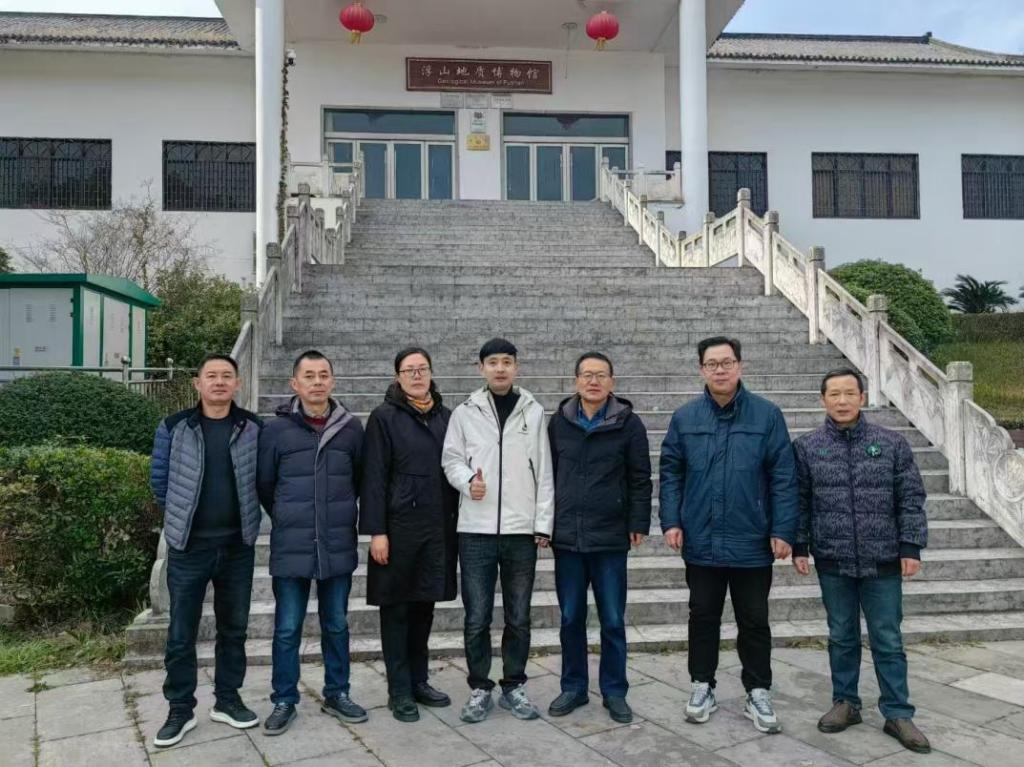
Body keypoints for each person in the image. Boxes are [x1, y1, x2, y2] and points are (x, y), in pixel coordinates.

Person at [659, 336, 798, 734]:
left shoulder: (767, 415)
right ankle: (702, 685)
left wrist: (782, 528)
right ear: (701, 369)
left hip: (751, 539)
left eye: (726, 362)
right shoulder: (685, 417)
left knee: (754, 619)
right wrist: (671, 520)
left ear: (740, 366)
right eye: (711, 364)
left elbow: (783, 476)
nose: (719, 370)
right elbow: (671, 473)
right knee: (702, 615)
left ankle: (758, 690)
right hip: (701, 539)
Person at [792, 367, 930, 754]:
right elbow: (799, 501)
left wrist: (911, 546)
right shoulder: (807, 447)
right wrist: (800, 545)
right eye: (834, 394)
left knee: (887, 637)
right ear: (823, 400)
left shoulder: (891, 444)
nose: (842, 401)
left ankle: (898, 712)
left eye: (849, 393)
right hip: (832, 558)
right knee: (841, 635)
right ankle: (846, 702)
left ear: (862, 397)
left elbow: (911, 497)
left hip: (882, 559)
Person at [150, 353, 262, 748]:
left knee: (234, 629)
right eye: (211, 376)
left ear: (237, 384)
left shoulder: (253, 427)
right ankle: (180, 708)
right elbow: (160, 481)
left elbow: (263, 478)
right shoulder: (174, 426)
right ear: (197, 383)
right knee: (181, 632)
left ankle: (228, 699)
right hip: (189, 547)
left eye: (226, 376)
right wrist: (181, 518)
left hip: (237, 546)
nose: (219, 382)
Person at [441, 337, 554, 724]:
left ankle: (513, 685)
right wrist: (466, 481)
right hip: (475, 530)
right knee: (477, 616)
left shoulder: (533, 412)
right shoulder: (464, 412)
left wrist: (543, 523)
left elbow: (545, 472)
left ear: (516, 367)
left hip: (521, 532)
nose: (500, 368)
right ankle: (479, 686)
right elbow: (451, 459)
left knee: (519, 615)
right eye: (493, 362)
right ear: (481, 368)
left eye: (507, 361)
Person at [257, 350, 367, 735]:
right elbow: (265, 484)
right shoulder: (276, 430)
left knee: (336, 624)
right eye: (309, 375)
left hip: (336, 542)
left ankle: (338, 692)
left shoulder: (351, 428)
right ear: (295, 383)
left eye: (323, 375)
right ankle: (284, 699)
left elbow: (358, 481)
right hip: (292, 543)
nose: (317, 382)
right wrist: (289, 517)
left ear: (332, 381)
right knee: (288, 627)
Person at [546, 352, 652, 725]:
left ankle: (614, 690)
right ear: (576, 381)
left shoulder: (629, 424)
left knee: (612, 619)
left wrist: (638, 521)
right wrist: (544, 524)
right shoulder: (558, 423)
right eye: (587, 375)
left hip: (610, 537)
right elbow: (547, 476)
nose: (594, 381)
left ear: (612, 382)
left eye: (601, 375)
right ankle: (573, 687)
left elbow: (640, 478)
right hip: (567, 539)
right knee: (570, 617)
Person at [360, 347, 459, 722]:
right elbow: (373, 478)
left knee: (424, 609)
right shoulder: (384, 417)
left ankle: (419, 681)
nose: (417, 375)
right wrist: (377, 531)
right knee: (397, 612)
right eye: (409, 370)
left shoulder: (447, 418)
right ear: (397, 377)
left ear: (431, 373)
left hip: (436, 529)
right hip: (398, 530)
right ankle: (398, 690)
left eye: (422, 369)